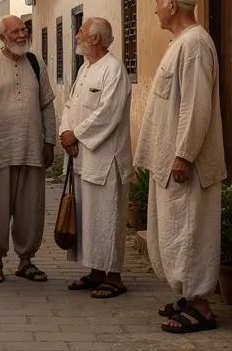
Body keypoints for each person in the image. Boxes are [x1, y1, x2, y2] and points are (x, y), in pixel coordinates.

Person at [134, 0, 228, 334]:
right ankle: (189, 297)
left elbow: (196, 105)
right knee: (175, 231)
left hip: (187, 165)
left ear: (172, 5)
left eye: (158, 2)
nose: (155, 10)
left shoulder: (196, 45)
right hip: (170, 162)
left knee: (189, 232)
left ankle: (201, 307)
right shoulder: (182, 43)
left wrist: (185, 155)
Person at [0, 14, 56, 284]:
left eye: (23, 30)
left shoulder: (36, 62)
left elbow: (47, 104)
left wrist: (49, 141)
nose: (21, 35)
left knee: (31, 209)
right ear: (2, 37)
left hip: (32, 149)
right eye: (15, 32)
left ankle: (26, 261)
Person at [58, 17, 133, 299]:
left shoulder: (113, 69)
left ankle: (114, 277)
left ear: (94, 39)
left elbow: (109, 112)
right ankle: (95, 272)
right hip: (81, 156)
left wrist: (76, 134)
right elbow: (70, 105)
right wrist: (66, 132)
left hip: (105, 160)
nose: (76, 35)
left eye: (81, 31)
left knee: (107, 217)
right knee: (88, 216)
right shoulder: (85, 68)